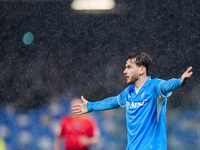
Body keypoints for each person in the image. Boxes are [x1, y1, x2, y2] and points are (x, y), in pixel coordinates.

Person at [72, 52, 193, 150]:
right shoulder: (129, 92)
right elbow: (113, 101)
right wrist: (91, 106)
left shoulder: (154, 87)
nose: (124, 71)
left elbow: (167, 85)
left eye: (129, 67)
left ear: (142, 70)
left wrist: (180, 81)